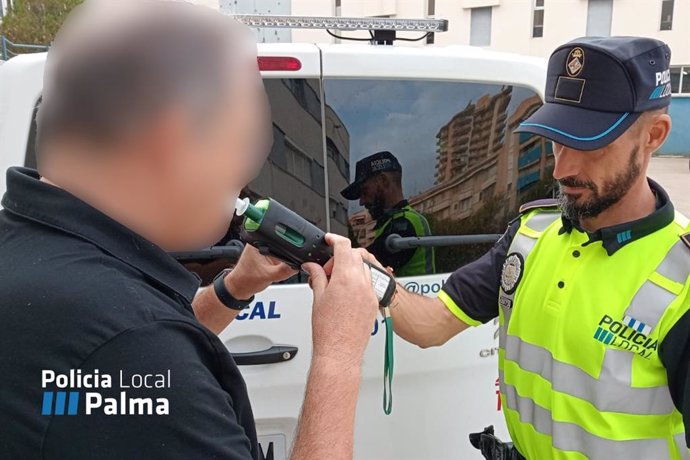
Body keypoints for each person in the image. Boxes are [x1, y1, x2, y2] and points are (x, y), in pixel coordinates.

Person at [0, 2, 380, 459]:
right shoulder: (133, 344)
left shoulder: (28, 248)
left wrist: (237, 286)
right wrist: (338, 356)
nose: (241, 182)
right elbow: (127, 346)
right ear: (173, 140)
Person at [384, 36, 690, 459]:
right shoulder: (531, 233)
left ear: (654, 135)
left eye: (589, 144)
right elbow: (430, 324)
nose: (563, 168)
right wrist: (345, 267)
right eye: (557, 139)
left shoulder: (682, 279)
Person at [341, 151, 435, 276]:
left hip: (414, 294)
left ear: (383, 180)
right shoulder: (391, 221)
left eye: (364, 191)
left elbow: (364, 264)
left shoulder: (404, 224)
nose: (361, 201)